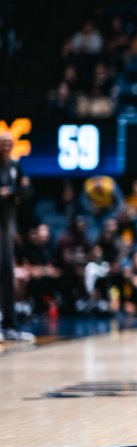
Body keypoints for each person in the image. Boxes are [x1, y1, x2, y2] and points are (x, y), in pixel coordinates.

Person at [0, 132, 34, 342]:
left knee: (7, 275)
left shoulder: (15, 166)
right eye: (2, 143)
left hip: (8, 228)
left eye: (8, 143)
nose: (6, 146)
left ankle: (10, 326)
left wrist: (12, 193)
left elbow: (27, 190)